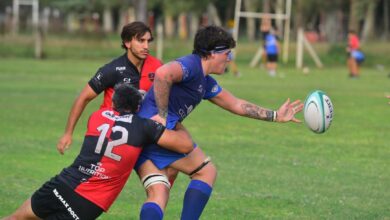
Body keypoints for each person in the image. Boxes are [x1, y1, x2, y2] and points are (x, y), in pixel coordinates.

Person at [135, 25, 304, 220]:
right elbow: (164, 73)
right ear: (212, 54)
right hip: (157, 131)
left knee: (159, 192)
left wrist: (275, 115)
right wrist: (163, 116)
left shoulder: (205, 81)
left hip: (145, 132)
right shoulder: (191, 65)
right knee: (206, 172)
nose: (229, 59)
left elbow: (236, 104)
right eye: (227, 53)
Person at [3, 83, 194, 220]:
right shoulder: (143, 127)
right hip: (87, 202)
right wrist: (171, 120)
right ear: (137, 108)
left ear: (113, 104)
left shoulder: (97, 116)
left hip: (61, 184)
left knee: (17, 217)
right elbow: (185, 145)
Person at [57, 21, 162, 154]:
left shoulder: (157, 66)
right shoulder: (112, 69)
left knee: (173, 164)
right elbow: (83, 98)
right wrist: (68, 133)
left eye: (148, 41)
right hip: (112, 134)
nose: (146, 46)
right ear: (127, 43)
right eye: (141, 41)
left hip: (141, 131)